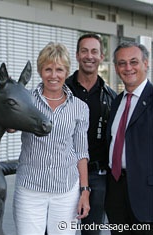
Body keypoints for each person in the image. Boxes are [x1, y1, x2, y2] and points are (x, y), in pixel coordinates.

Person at [13, 42, 90, 235]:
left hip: (66, 190)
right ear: (40, 71)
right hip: (30, 188)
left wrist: (85, 191)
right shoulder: (27, 100)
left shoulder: (79, 107)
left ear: (66, 72)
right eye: (48, 69)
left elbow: (81, 152)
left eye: (59, 69)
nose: (53, 75)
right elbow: (11, 127)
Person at [65, 33, 116, 235]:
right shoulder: (62, 90)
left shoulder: (111, 97)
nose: (89, 56)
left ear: (101, 56)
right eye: (84, 51)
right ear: (77, 55)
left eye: (94, 51)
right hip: (63, 175)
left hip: (97, 177)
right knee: (57, 230)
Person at [106, 41, 153, 235]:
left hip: (146, 195)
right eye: (122, 63)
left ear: (146, 63)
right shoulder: (117, 101)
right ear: (116, 68)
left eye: (133, 62)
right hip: (116, 190)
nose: (128, 68)